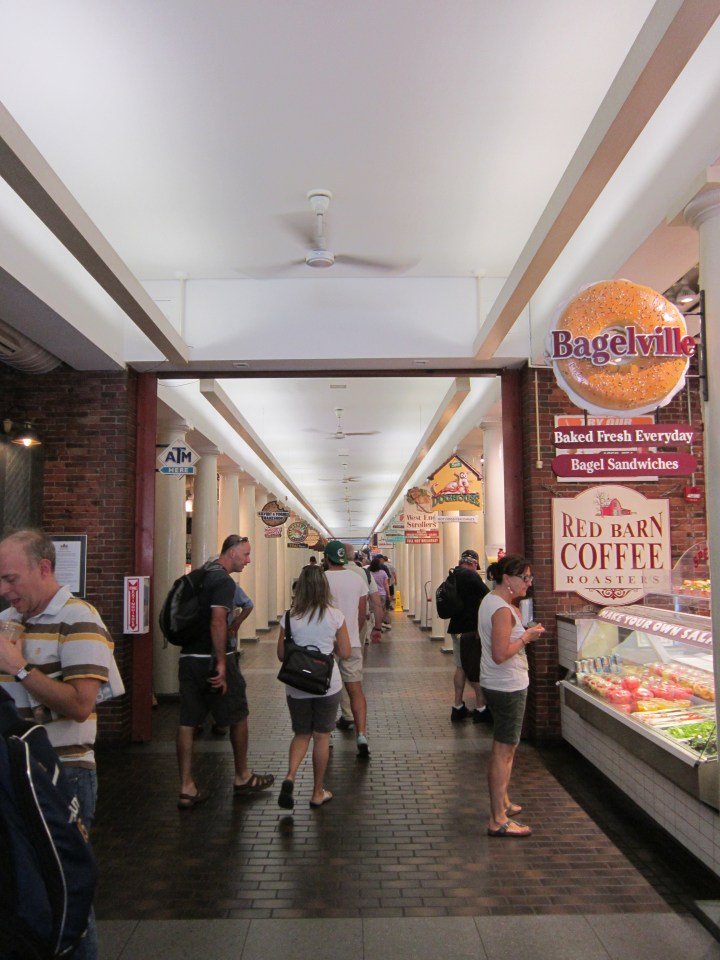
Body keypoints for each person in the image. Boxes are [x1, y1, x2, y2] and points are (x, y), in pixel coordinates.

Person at [0, 528, 116, 960]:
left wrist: (20, 668)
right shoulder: (7, 624)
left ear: (43, 568)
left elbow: (80, 704)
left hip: (61, 775)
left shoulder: (80, 619)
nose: (5, 590)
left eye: (12, 579)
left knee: (64, 891)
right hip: (13, 772)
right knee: (21, 886)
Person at [176, 534, 273, 809]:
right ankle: (242, 776)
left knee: (187, 721)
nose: (249, 560)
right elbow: (219, 622)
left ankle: (186, 786)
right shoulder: (223, 581)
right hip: (215, 657)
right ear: (231, 553)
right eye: (245, 555)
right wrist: (220, 662)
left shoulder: (198, 576)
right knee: (238, 714)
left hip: (188, 657)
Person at [479, 554, 545, 838]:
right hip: (506, 685)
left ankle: (502, 801)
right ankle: (497, 818)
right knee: (503, 751)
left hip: (499, 683)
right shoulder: (501, 609)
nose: (529, 584)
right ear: (508, 579)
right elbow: (501, 653)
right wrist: (526, 638)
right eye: (525, 578)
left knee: (505, 749)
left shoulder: (494, 602)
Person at [276, 564, 351, 809]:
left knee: (301, 734)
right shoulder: (335, 616)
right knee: (321, 736)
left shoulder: (289, 617)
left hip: (296, 685)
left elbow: (280, 655)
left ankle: (290, 776)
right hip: (326, 685)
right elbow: (346, 652)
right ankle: (317, 792)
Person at [323, 541, 371, 758]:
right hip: (351, 641)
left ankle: (327, 736)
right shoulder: (357, 579)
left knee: (326, 690)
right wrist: (353, 632)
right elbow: (362, 614)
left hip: (326, 644)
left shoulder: (321, 580)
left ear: (326, 558)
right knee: (355, 689)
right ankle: (361, 735)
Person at [447, 549, 491, 724]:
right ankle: (481, 708)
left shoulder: (452, 575)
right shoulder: (472, 576)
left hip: (456, 628)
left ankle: (457, 706)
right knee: (474, 668)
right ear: (474, 563)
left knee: (460, 667)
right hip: (469, 631)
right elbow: (489, 596)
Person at [369, 556, 391, 629]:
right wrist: (388, 594)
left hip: (372, 594)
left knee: (372, 610)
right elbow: (386, 584)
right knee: (381, 609)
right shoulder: (383, 573)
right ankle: (380, 624)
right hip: (382, 594)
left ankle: (373, 624)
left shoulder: (369, 573)